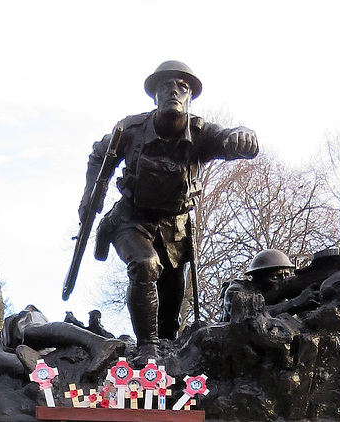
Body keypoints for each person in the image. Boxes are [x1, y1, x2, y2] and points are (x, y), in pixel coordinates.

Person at [79, 61, 259, 360]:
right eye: (165, 87)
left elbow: (230, 140)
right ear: (155, 96)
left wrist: (244, 136)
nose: (174, 91)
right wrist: (90, 197)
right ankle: (147, 347)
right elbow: (99, 155)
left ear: (190, 97)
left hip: (175, 228)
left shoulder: (201, 134)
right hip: (132, 218)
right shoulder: (131, 129)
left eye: (182, 87)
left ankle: (164, 350)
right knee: (145, 265)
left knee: (171, 305)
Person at [0, 305, 124, 406]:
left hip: (15, 328)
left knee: (25, 334)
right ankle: (40, 372)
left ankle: (98, 344)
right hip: (22, 350)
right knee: (21, 339)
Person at [221, 249, 319, 322]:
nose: (284, 281)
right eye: (275, 277)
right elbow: (249, 316)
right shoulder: (237, 290)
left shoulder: (286, 299)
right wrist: (295, 303)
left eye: (287, 275)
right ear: (257, 278)